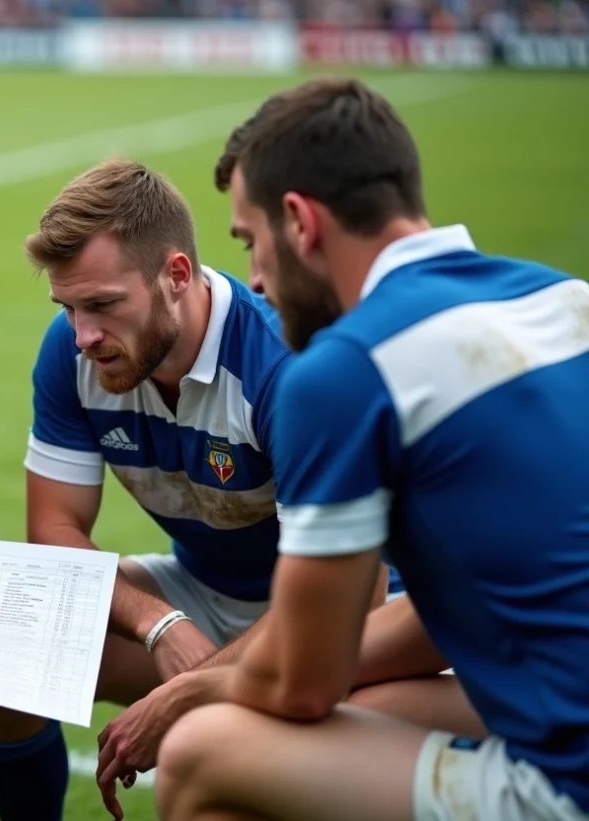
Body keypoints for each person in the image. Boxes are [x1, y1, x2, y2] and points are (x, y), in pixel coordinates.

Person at [155, 76, 589, 821]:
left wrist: (195, 687)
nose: (254, 280)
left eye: (251, 242)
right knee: (380, 703)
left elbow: (303, 680)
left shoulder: (347, 370)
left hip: (568, 779)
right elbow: (466, 604)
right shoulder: (564, 298)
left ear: (300, 222)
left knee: (201, 750)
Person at [0, 156, 401, 821]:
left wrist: (196, 688)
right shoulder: (73, 353)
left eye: (103, 305)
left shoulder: (285, 367)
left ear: (176, 275)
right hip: (203, 594)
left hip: (344, 614)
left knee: (251, 765)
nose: (83, 334)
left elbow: (352, 598)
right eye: (68, 307)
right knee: (8, 639)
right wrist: (156, 620)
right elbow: (55, 533)